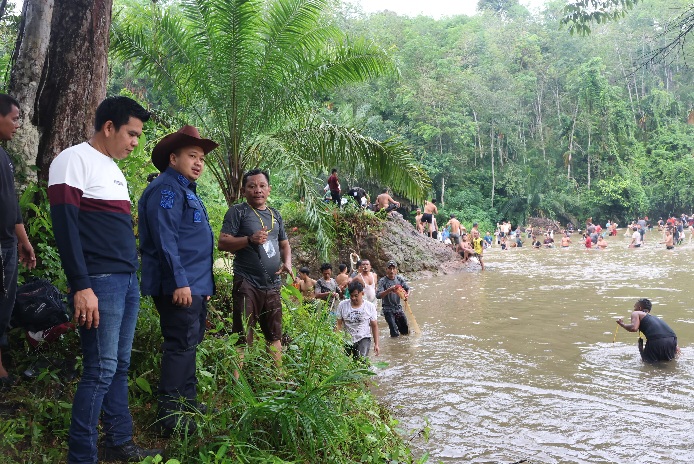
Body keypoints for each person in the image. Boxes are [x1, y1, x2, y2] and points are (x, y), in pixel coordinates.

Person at [48, 96, 161, 462]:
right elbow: (65, 228)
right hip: (99, 281)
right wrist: (82, 285)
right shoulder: (73, 160)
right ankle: (82, 456)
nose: (136, 142)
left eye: (139, 135)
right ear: (109, 127)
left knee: (118, 366)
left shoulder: (112, 168)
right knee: (100, 369)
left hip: (126, 279)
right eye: (132, 133)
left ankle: (119, 442)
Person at [138, 125, 218, 436]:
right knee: (180, 345)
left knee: (189, 344)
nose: (199, 163)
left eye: (202, 158)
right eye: (192, 156)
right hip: (179, 285)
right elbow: (165, 239)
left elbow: (190, 241)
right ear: (173, 158)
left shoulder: (185, 190)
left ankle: (188, 402)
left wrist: (202, 285)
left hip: (194, 284)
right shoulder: (167, 189)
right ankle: (170, 417)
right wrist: (180, 282)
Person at [217, 169, 292, 368]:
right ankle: (236, 383)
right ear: (243, 191)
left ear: (269, 189)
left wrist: (287, 263)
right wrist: (249, 239)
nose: (257, 190)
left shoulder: (275, 214)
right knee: (241, 336)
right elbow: (222, 242)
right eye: (251, 186)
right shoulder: (238, 212)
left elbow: (284, 244)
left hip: (272, 284)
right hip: (247, 282)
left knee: (274, 334)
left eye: (262, 186)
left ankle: (277, 378)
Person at [0, 94, 36, 386]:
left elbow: (11, 204)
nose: (18, 125)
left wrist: (23, 240)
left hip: (8, 242)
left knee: (6, 301)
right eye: (14, 118)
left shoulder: (4, 157)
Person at [617, 298, 678, 363]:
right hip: (672, 340)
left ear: (639, 308)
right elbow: (667, 334)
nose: (634, 310)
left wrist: (622, 324)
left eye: (635, 307)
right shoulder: (655, 318)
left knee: (648, 365)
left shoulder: (636, 313)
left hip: (657, 340)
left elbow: (634, 328)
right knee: (666, 364)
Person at [335, 280, 380, 359]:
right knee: (344, 361)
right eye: (351, 296)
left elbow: (374, 325)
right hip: (347, 338)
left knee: (360, 359)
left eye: (356, 296)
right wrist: (336, 341)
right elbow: (338, 324)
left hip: (363, 338)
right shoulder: (342, 305)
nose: (353, 298)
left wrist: (376, 344)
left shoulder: (370, 306)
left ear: (362, 293)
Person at [377, 261, 410, 337]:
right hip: (387, 309)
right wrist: (389, 290)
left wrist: (407, 295)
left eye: (393, 268)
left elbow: (408, 288)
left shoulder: (399, 279)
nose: (391, 271)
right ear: (386, 269)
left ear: (396, 270)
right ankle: (394, 342)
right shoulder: (383, 281)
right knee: (394, 332)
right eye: (390, 269)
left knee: (405, 330)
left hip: (398, 308)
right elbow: (378, 295)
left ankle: (402, 344)